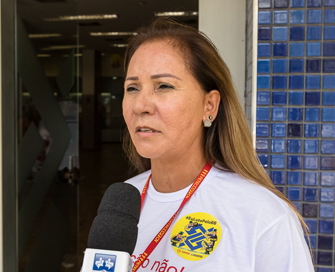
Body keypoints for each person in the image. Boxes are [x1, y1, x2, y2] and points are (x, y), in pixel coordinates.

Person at [123, 18, 313, 271]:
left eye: (164, 86)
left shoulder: (262, 215)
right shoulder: (122, 201)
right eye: (132, 88)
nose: (140, 105)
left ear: (209, 105)